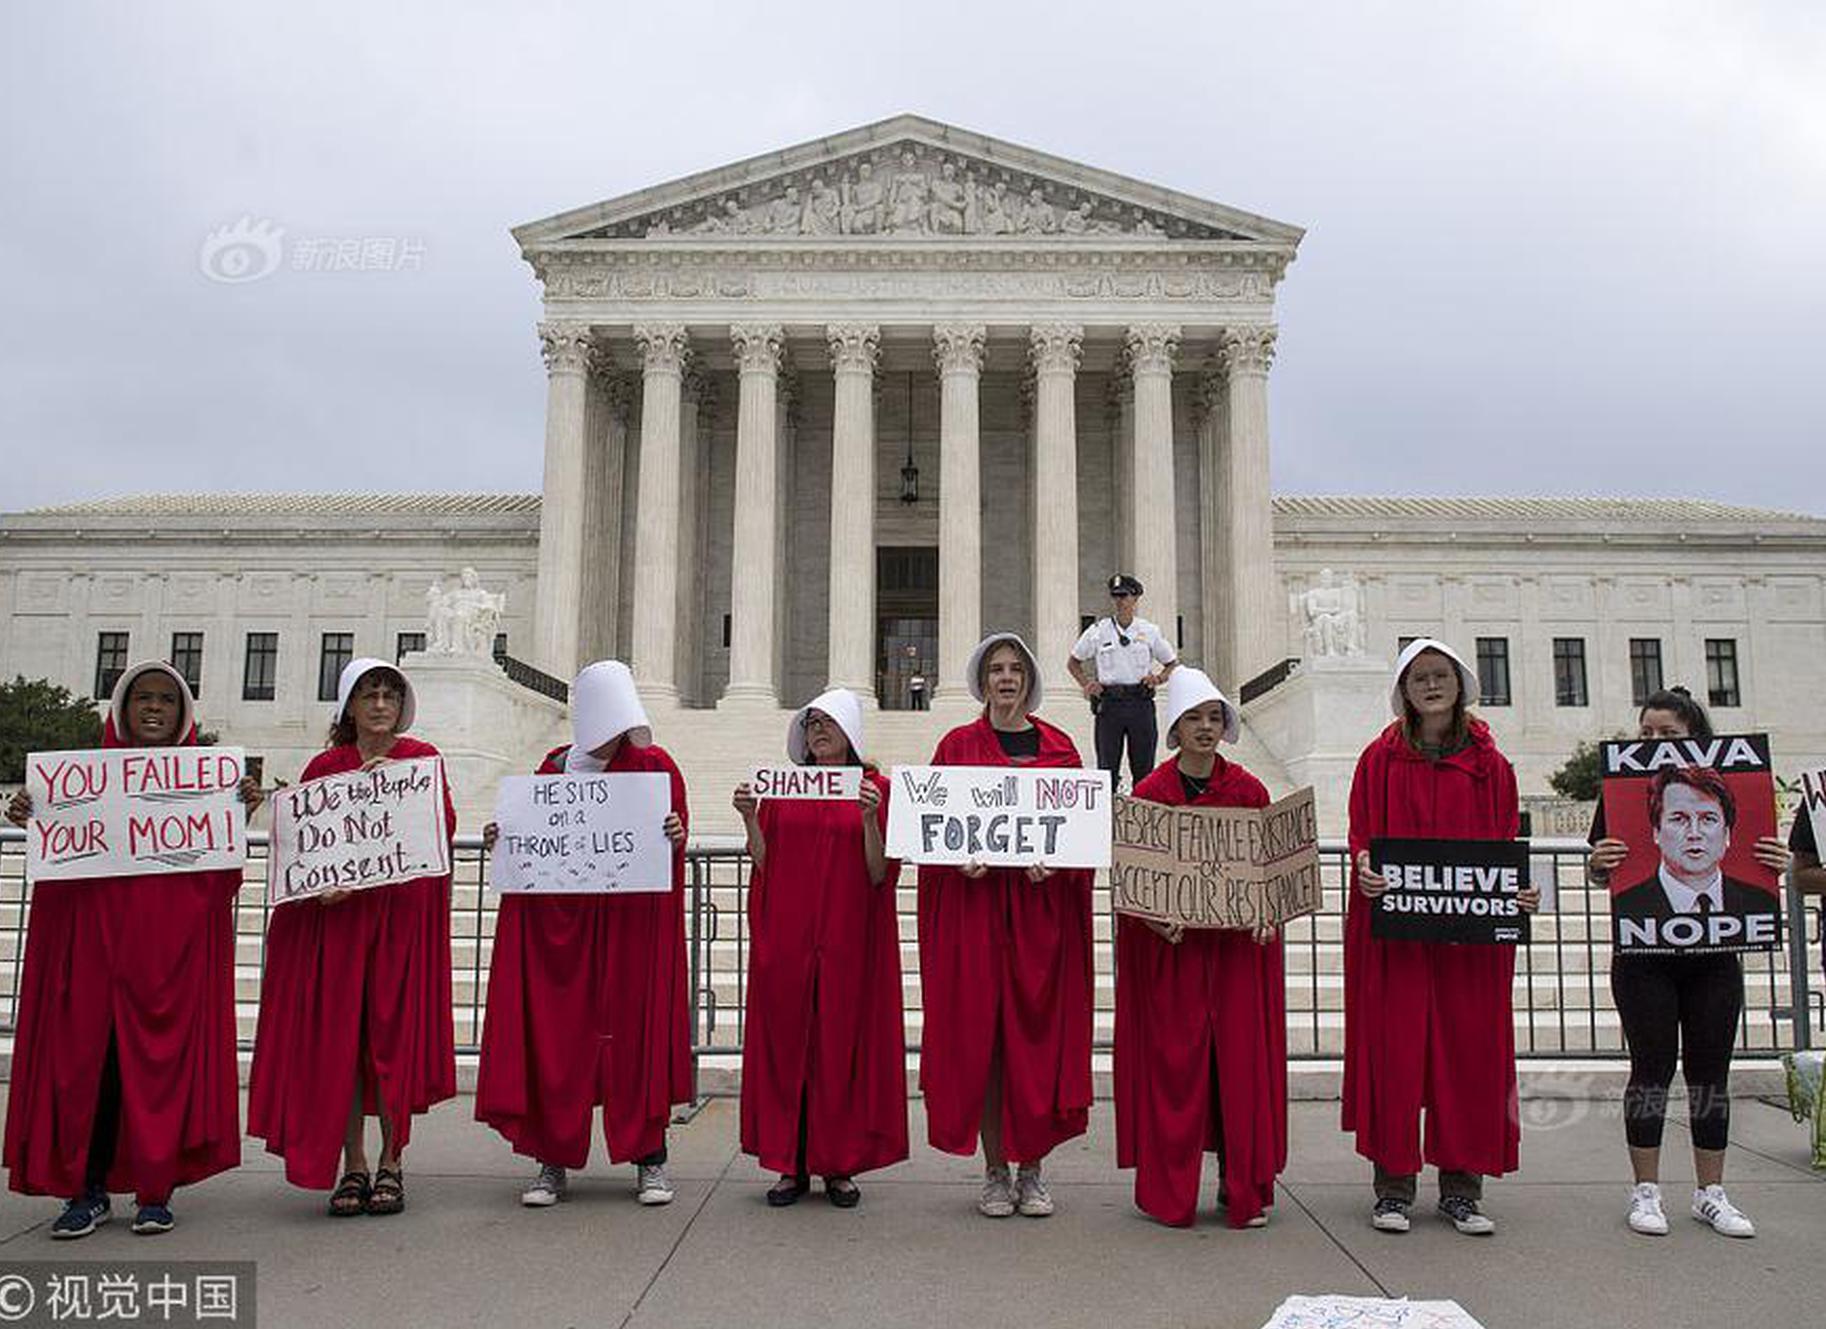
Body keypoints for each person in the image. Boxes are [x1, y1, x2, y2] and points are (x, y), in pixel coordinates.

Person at [4, 661, 260, 1238]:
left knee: (156, 1075)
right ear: (121, 710)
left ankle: (155, 1190)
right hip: (90, 951)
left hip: (164, 954)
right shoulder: (79, 781)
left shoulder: (202, 786)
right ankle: (85, 1190)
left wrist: (235, 813)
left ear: (182, 714)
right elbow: (59, 868)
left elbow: (217, 881)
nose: (153, 708)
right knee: (86, 1073)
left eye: (166, 700)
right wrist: (31, 812)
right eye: (143, 698)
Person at [475, 660, 691, 1208]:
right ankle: (552, 1160)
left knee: (635, 1040)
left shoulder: (654, 766)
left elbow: (668, 846)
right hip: (561, 928)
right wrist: (503, 837)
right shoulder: (551, 770)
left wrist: (675, 834)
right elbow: (530, 841)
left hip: (630, 928)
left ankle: (650, 1159)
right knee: (557, 1039)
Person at [247, 658, 456, 1217]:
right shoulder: (326, 766)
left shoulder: (420, 760)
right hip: (337, 927)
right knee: (341, 1044)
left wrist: (394, 790)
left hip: (395, 924)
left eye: (389, 695)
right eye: (369, 695)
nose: (380, 705)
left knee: (390, 1045)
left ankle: (392, 1161)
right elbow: (302, 845)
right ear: (350, 707)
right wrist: (319, 888)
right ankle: (354, 1164)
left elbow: (441, 828)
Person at [1344, 638, 1539, 1237]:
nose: (1431, 686)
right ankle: (1393, 1189)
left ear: (1459, 686)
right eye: (1419, 678)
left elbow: (1504, 845)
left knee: (1469, 1057)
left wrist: (1516, 893)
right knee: (1395, 1057)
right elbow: (1361, 836)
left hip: (1466, 946)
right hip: (1397, 941)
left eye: (1440, 676)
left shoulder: (1491, 767)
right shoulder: (1378, 760)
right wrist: (1363, 868)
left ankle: (1462, 1189)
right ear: (1404, 691)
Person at [1586, 687, 1788, 1238]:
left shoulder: (1741, 863)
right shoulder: (1621, 791)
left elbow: (1769, 858)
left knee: (1710, 1073)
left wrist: (1776, 862)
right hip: (1644, 958)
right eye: (1646, 733)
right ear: (1657, 828)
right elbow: (1600, 869)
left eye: (1668, 734)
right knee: (1650, 1069)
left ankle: (1710, 1193)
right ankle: (1646, 1191)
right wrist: (1599, 864)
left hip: (1714, 959)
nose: (1654, 742)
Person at [917, 632, 1094, 1219]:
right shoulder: (957, 748)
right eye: (996, 669)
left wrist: (1059, 865)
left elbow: (1080, 837)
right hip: (977, 916)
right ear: (982, 681)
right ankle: (996, 1171)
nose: (1006, 678)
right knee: (986, 1048)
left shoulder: (1061, 750)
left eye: (1016, 668)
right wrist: (956, 860)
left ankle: (1032, 1170)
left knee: (1037, 1047)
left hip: (1041, 921)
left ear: (1029, 680)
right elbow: (932, 833)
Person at [1114, 668, 1287, 1229]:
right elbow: (1132, 884)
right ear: (1176, 728)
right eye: (1194, 719)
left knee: (1239, 1072)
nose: (1206, 728)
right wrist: (1152, 918)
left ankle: (1241, 1186)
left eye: (1215, 718)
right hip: (1175, 956)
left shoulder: (1250, 792)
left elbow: (1270, 875)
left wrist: (1267, 915)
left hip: (1236, 957)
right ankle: (1171, 1191)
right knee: (1175, 1072)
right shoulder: (1150, 794)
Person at [732, 688, 907, 1208]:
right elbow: (764, 862)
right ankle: (790, 1164)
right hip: (790, 942)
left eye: (828, 723)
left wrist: (870, 818)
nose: (819, 731)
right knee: (790, 1048)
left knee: (840, 1051)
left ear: (850, 732)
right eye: (811, 724)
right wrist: (749, 818)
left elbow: (879, 873)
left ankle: (839, 1165)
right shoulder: (785, 792)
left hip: (849, 942)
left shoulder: (876, 791)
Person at [1610, 766, 1782, 939]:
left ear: (1727, 833)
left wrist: (1788, 868)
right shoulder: (1626, 904)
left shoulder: (1760, 901)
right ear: (1656, 832)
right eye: (1679, 819)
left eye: (1708, 819)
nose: (1694, 833)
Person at [1067, 573, 1177, 793]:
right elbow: (1073, 662)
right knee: (1107, 769)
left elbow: (1171, 663)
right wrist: (1087, 684)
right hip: (1110, 705)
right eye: (1115, 596)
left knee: (1143, 768)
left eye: (1124, 596)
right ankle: (1108, 810)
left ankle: (1143, 809)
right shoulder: (1099, 631)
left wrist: (1158, 678)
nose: (1119, 601)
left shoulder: (1149, 631)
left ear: (1135, 598)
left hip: (1140, 703)